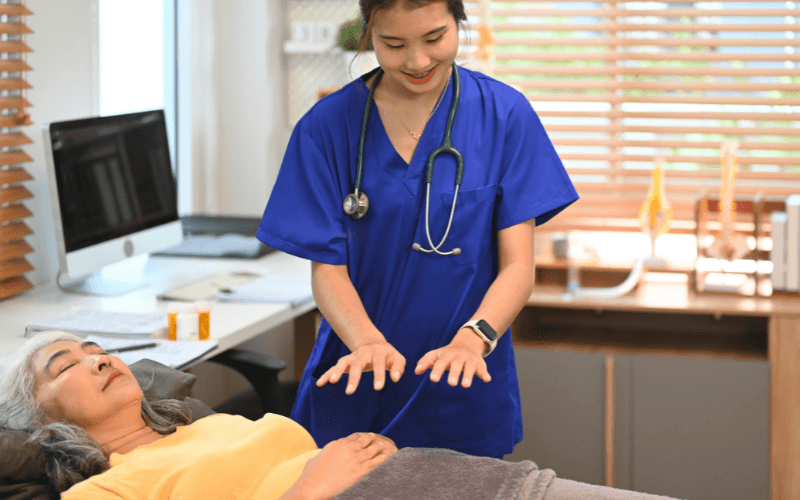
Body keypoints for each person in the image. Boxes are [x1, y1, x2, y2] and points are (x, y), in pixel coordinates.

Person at [257, 0, 579, 458]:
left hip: (461, 383)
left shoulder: (505, 115)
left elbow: (518, 267)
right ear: (368, 32)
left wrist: (474, 339)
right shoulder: (326, 128)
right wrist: (366, 341)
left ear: (458, 23)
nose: (417, 61)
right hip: (357, 374)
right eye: (393, 44)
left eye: (434, 38)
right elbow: (327, 270)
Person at [0, 332, 680, 500]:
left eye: (95, 348)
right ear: (40, 421)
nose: (95, 359)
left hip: (440, 478)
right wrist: (305, 491)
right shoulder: (108, 486)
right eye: (65, 365)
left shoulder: (199, 425)